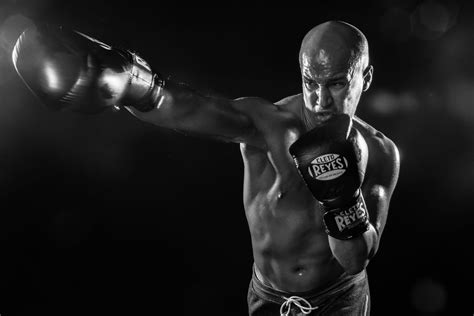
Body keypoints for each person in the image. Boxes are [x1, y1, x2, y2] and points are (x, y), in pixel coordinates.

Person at [12, 20, 400, 315]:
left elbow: (356, 259)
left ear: (364, 79)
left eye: (335, 84)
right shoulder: (273, 125)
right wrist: (132, 84)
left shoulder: (381, 153)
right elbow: (196, 110)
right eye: (310, 81)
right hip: (269, 296)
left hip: (341, 301)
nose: (319, 99)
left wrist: (342, 199)